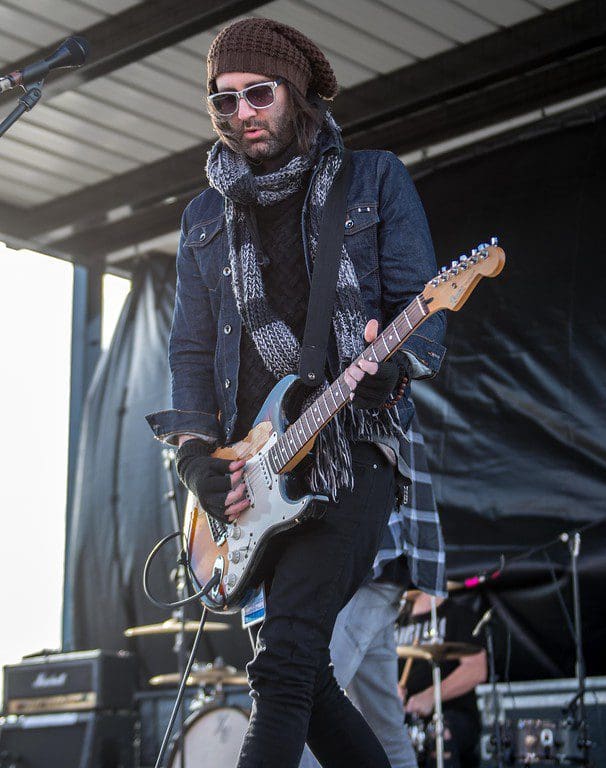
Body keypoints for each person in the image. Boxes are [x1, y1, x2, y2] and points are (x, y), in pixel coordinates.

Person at [147, 17, 445, 768]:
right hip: (256, 479)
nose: (241, 112)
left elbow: (425, 319)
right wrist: (195, 458)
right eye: (224, 101)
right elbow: (190, 351)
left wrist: (392, 367)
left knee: (280, 672)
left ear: (297, 93)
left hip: (350, 457)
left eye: (258, 93)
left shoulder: (372, 180)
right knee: (307, 684)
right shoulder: (204, 216)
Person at [299, 413, 447, 768]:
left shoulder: (366, 390)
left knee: (304, 707)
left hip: (366, 566)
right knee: (385, 728)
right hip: (372, 567)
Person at [397, 592, 488, 768]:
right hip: (404, 716)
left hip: (452, 714)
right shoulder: (396, 620)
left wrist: (431, 696)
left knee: (441, 735)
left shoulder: (458, 614)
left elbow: (477, 670)